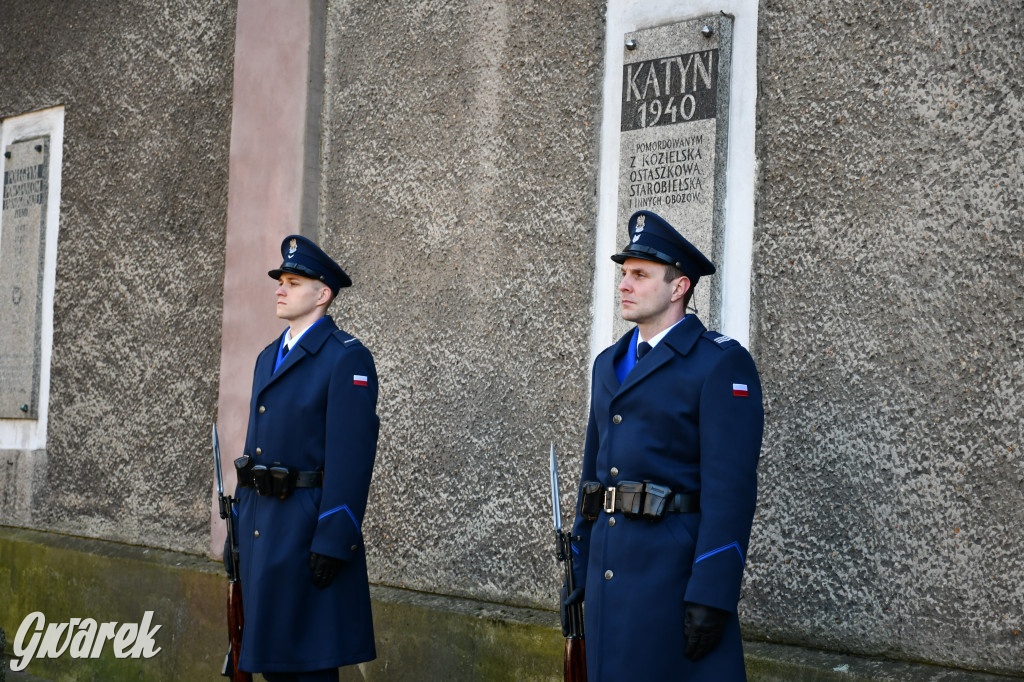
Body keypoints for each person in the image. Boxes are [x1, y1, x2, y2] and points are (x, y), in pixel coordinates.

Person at [566, 210, 764, 681]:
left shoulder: (718, 364)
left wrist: (713, 592)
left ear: (679, 288)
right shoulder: (608, 363)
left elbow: (730, 490)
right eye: (623, 274)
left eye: (640, 274)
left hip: (671, 580)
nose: (625, 285)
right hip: (609, 573)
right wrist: (579, 563)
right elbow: (593, 473)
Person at [230, 234, 380, 682]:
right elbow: (252, 451)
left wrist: (335, 539)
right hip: (262, 529)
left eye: (293, 282)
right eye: (281, 280)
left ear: (322, 294)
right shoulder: (266, 358)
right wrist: (237, 529)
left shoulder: (346, 359)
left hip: (306, 531)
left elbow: (352, 458)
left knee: (307, 669)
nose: (280, 288)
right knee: (272, 666)